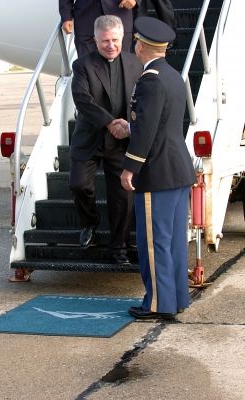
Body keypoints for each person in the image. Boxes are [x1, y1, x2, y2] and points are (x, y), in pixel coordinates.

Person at [110, 17, 196, 319]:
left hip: (156, 173)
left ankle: (158, 303)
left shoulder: (150, 79)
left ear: (141, 46)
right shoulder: (172, 75)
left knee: (154, 242)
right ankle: (176, 299)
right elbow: (160, 122)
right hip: (177, 169)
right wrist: (132, 127)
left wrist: (130, 166)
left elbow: (148, 128)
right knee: (173, 242)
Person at [69, 15, 143, 265]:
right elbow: (82, 100)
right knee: (79, 185)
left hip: (121, 141)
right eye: (104, 41)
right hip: (90, 138)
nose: (110, 45)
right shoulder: (82, 65)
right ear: (95, 40)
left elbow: (142, 99)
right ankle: (89, 223)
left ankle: (118, 248)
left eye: (114, 40)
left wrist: (130, 127)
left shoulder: (136, 64)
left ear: (122, 38)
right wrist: (111, 122)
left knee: (122, 196)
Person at [59, 0, 142, 57]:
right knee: (87, 68)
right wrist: (66, 16)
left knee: (122, 68)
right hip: (86, 20)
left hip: (120, 13)